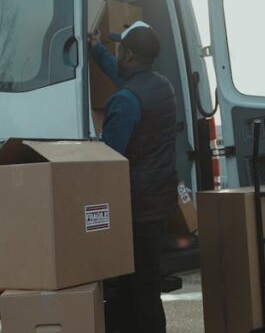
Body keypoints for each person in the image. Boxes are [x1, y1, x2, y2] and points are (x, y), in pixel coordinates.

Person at [90, 21, 177, 333]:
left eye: (119, 48)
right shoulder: (161, 87)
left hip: (134, 209)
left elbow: (108, 158)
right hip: (158, 205)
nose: (117, 53)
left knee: (135, 291)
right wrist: (97, 49)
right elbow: (124, 78)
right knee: (145, 286)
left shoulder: (125, 101)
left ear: (128, 55)